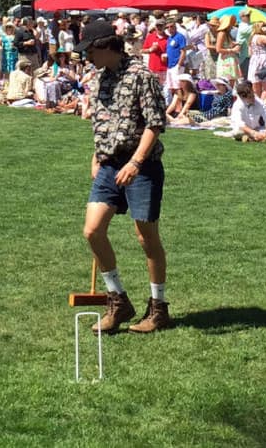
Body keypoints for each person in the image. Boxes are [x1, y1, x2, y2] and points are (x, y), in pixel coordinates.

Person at [77, 19, 171, 335]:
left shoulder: (142, 77)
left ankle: (158, 308)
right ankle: (118, 301)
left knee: (146, 238)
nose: (86, 57)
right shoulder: (100, 79)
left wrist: (135, 162)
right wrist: (96, 155)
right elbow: (103, 122)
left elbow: (155, 124)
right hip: (108, 165)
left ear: (106, 46)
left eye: (89, 51)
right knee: (92, 231)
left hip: (141, 167)